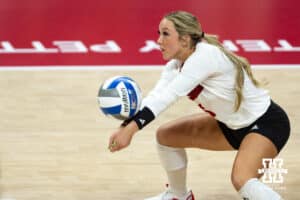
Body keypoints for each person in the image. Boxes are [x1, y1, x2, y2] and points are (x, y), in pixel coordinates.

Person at [108, 11, 290, 200]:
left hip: (266, 124)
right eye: (159, 33)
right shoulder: (175, 65)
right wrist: (124, 125)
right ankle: (178, 195)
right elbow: (155, 97)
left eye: (165, 34)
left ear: (185, 39)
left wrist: (130, 130)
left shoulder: (205, 57)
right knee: (166, 136)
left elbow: (168, 97)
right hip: (230, 126)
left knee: (242, 180)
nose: (159, 41)